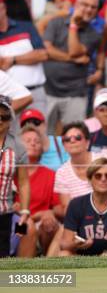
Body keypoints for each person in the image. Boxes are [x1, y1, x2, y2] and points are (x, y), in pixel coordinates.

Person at [43, 0, 102, 133]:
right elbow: (48, 51)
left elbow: (75, 50)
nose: (88, 10)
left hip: (75, 93)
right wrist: (72, 59)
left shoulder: (93, 34)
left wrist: (73, 25)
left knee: (73, 136)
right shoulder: (55, 23)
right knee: (44, 136)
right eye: (85, 5)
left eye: (93, 7)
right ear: (75, 6)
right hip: (48, 90)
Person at [60, 157, 107, 256]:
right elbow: (64, 244)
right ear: (89, 180)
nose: (103, 179)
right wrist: (76, 245)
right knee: (64, 254)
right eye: (98, 176)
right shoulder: (76, 204)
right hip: (82, 257)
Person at [13, 126, 61, 257]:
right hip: (15, 221)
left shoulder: (51, 175)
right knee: (24, 226)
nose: (33, 143)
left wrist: (49, 212)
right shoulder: (10, 173)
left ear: (42, 148)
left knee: (50, 224)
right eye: (28, 141)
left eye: (37, 141)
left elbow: (59, 207)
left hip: (41, 224)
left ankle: (45, 265)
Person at [0, 1, 48, 112]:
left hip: (35, 92)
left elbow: (42, 54)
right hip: (7, 97)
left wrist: (13, 60)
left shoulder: (26, 26)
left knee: (38, 129)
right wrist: (29, 57)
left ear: (3, 8)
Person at [0, 95, 30, 257]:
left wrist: (25, 211)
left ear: (10, 120)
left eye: (3, 117)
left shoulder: (18, 147)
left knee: (2, 259)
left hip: (4, 213)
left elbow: (24, 182)